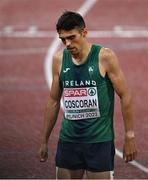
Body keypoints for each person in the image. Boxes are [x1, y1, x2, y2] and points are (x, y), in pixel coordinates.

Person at [38, 11, 137, 179]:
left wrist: (129, 137)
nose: (67, 43)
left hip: (99, 142)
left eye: (71, 37)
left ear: (84, 33)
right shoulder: (59, 60)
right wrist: (44, 140)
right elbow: (53, 101)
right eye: (63, 39)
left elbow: (125, 96)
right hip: (68, 141)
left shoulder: (104, 57)